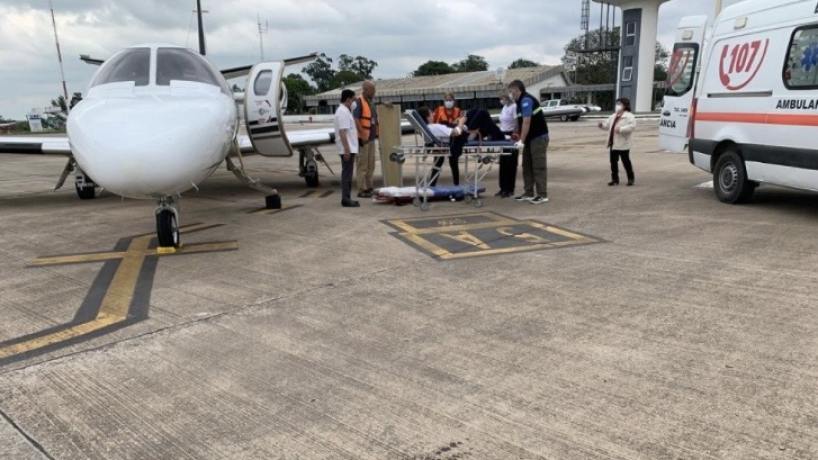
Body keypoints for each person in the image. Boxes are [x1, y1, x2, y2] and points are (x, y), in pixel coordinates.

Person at [508, 80, 549, 204]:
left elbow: (527, 121)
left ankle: (542, 194)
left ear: (517, 90)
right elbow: (520, 122)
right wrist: (516, 134)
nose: (510, 94)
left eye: (511, 91)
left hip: (538, 137)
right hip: (530, 138)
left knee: (538, 166)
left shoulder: (526, 100)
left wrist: (522, 140)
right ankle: (528, 192)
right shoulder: (519, 102)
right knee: (527, 166)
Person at [598, 97, 637, 186]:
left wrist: (621, 129)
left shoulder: (629, 116)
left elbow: (632, 127)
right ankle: (615, 179)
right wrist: (601, 125)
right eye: (617, 104)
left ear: (625, 105)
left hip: (623, 143)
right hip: (613, 143)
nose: (617, 106)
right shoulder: (613, 116)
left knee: (626, 162)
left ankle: (631, 179)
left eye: (620, 104)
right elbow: (607, 125)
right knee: (613, 162)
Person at [352, 80, 378, 198]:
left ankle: (369, 187)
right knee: (362, 165)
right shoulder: (358, 102)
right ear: (366, 90)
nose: (374, 92)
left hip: (371, 139)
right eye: (372, 90)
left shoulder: (371, 103)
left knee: (370, 165)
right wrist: (362, 135)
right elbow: (356, 119)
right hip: (363, 139)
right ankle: (361, 189)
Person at [334, 89, 359, 207]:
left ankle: (347, 197)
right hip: (347, 149)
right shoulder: (343, 112)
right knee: (347, 174)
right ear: (348, 99)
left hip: (349, 148)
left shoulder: (345, 111)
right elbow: (342, 132)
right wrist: (347, 150)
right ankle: (346, 198)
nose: (354, 102)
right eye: (353, 99)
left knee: (348, 174)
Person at [497, 93, 518, 198]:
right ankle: (502, 188)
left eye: (503, 98)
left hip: (511, 135)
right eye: (500, 98)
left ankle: (509, 189)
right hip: (503, 135)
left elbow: (517, 121)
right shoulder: (504, 107)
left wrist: (515, 134)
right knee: (503, 163)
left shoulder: (514, 107)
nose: (501, 100)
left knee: (511, 163)